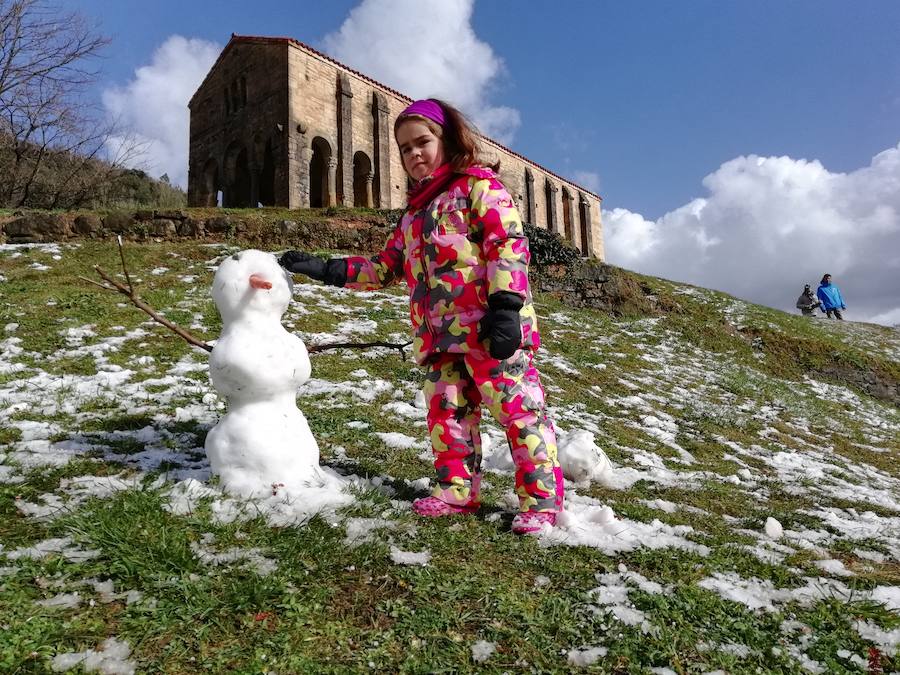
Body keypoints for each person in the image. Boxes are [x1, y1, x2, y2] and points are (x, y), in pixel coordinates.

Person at [279, 98, 563, 534]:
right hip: (438, 339)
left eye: (423, 142)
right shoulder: (413, 215)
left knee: (519, 413)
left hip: (491, 329)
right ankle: (457, 491)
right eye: (404, 148)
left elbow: (506, 246)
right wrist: (327, 269)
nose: (414, 154)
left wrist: (506, 308)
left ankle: (541, 500)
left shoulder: (479, 187)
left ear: (448, 139)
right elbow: (383, 267)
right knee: (446, 416)